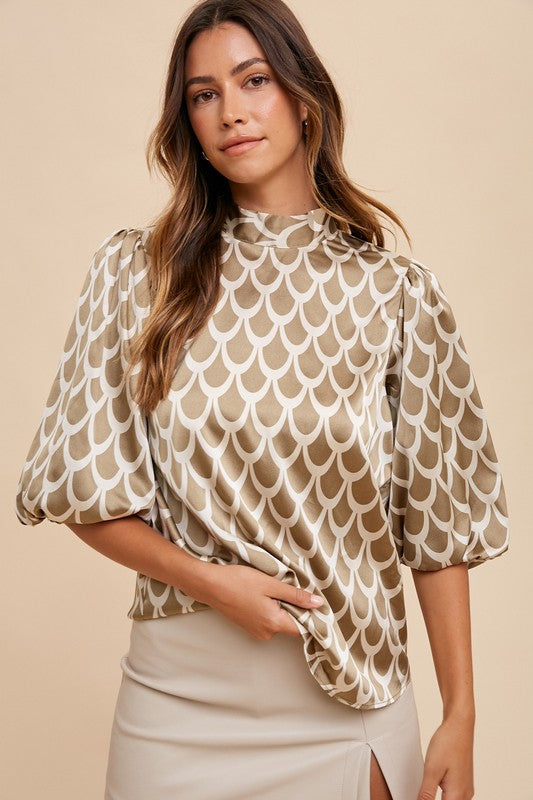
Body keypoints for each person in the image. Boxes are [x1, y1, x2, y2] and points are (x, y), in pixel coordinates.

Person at [14, 1, 510, 798]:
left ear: (302, 96)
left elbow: (435, 523)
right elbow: (85, 494)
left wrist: (461, 712)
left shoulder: (395, 294)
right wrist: (212, 583)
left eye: (254, 81)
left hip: (348, 701)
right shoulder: (137, 275)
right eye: (203, 94)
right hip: (176, 706)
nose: (230, 112)